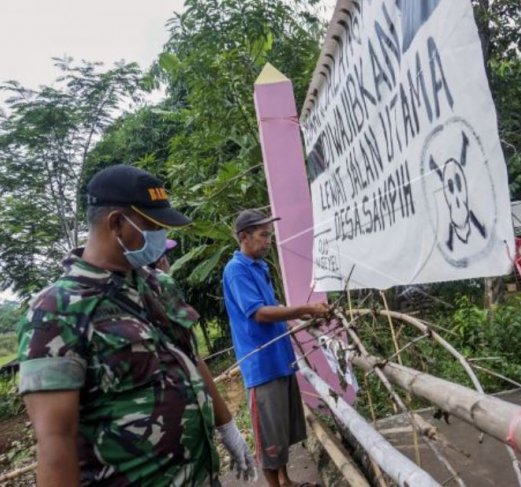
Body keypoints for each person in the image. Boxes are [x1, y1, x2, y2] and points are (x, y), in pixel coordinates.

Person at [17, 165, 256, 486]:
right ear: (116, 223)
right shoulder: (56, 313)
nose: (163, 237)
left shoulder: (159, 286)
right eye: (152, 226)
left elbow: (191, 359)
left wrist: (227, 427)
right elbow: (56, 442)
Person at [222, 209, 328, 487]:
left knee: (281, 431)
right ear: (244, 237)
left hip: (280, 358)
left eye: (269, 235)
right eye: (263, 235)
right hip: (262, 366)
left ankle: (286, 481)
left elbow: (272, 306)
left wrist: (299, 314)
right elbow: (258, 313)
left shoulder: (260, 267)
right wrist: (304, 307)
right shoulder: (236, 270)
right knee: (269, 438)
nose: (268, 240)